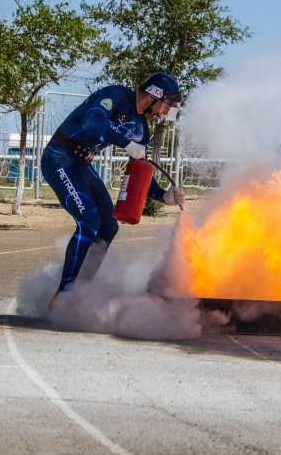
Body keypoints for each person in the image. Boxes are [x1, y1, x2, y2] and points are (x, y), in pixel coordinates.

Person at [41, 72, 186, 308]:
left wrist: (163, 196)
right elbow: (92, 121)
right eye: (166, 107)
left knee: (109, 225)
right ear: (154, 96)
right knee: (89, 221)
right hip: (59, 158)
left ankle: (83, 290)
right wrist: (126, 143)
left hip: (82, 164)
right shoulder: (116, 95)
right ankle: (64, 294)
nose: (165, 113)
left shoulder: (142, 130)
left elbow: (142, 169)